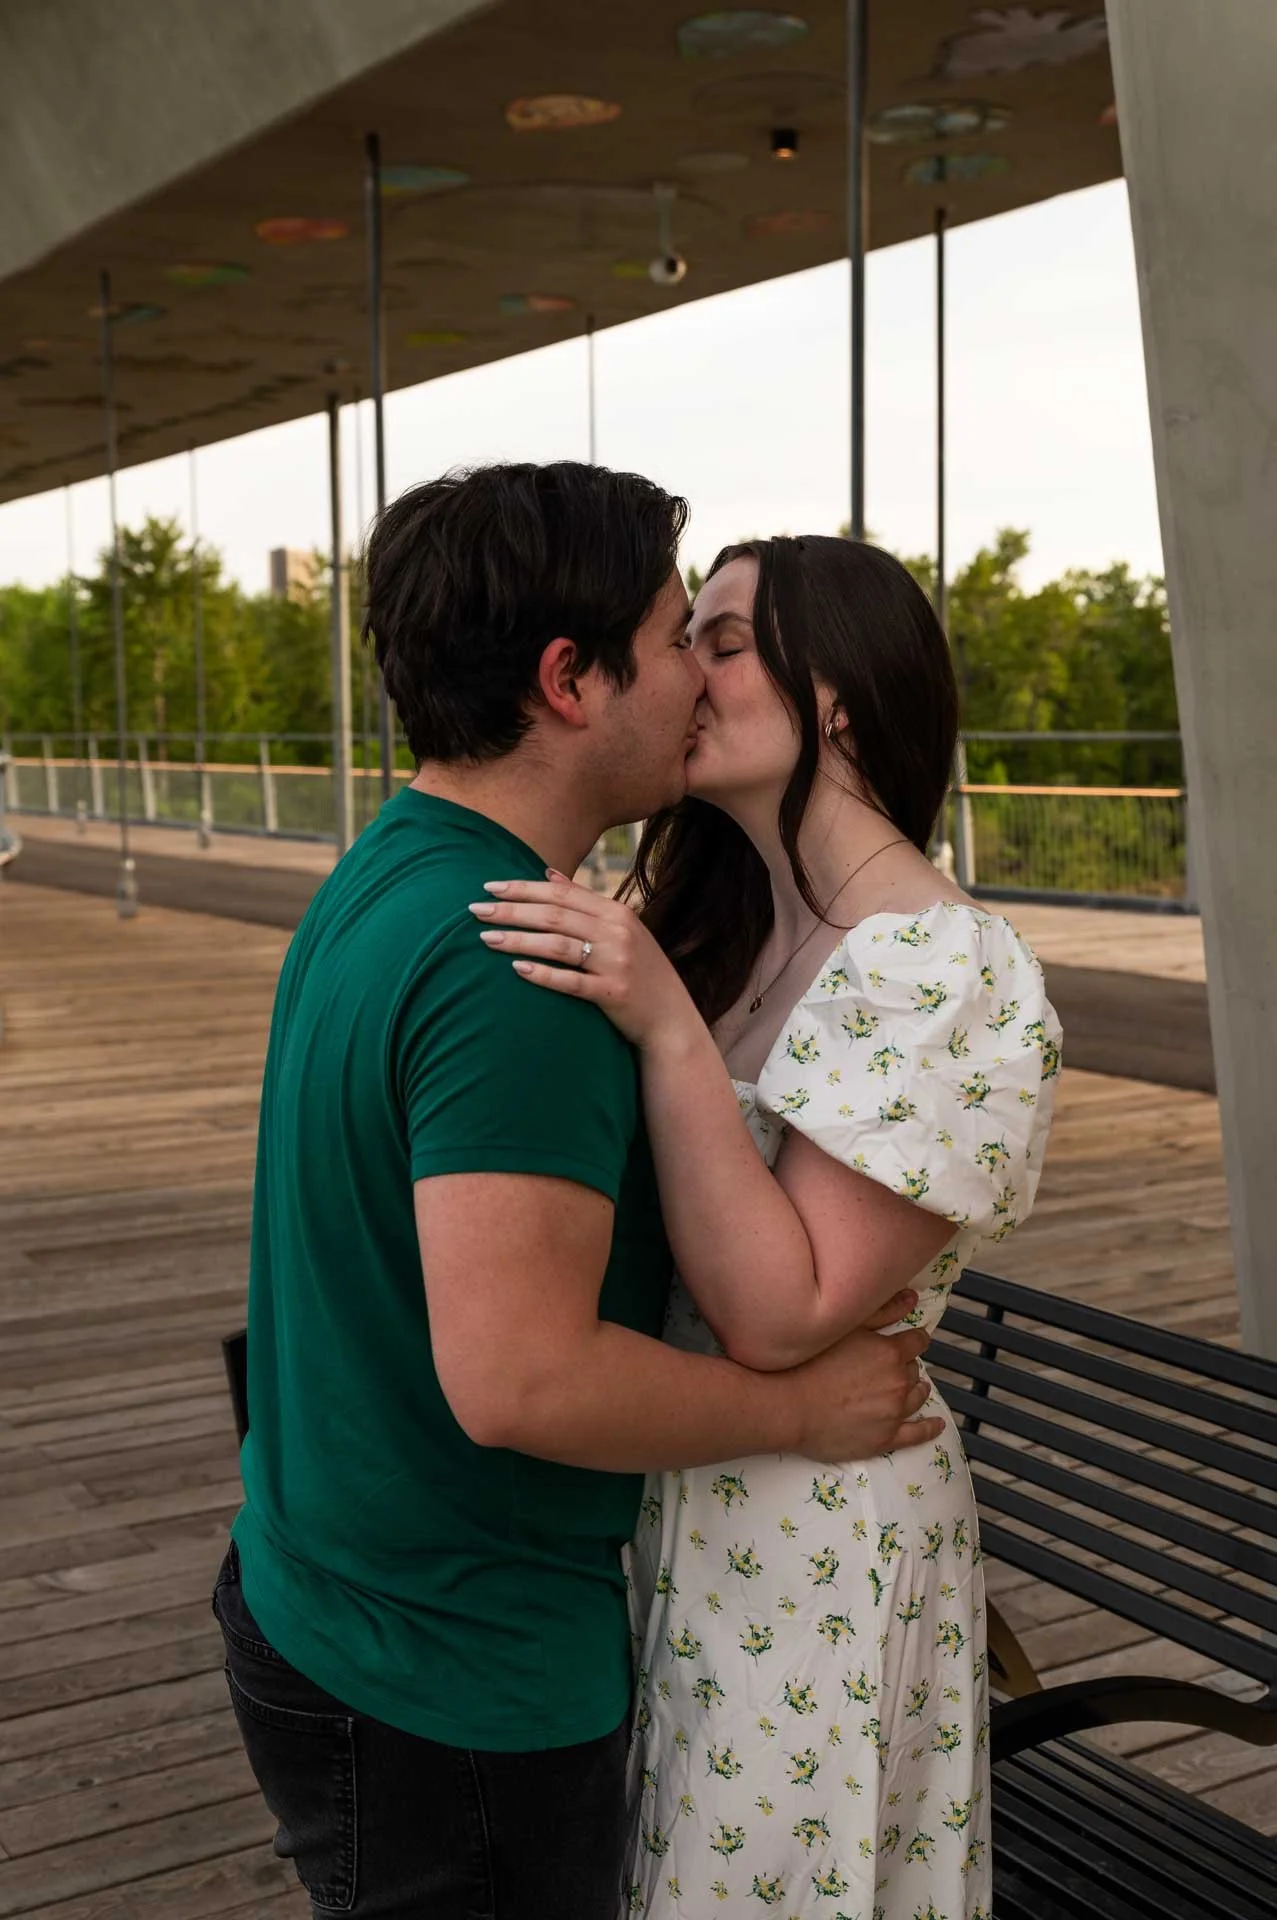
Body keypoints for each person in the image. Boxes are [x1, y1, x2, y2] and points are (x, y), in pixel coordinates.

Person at [212, 467, 945, 1920]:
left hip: (333, 1591)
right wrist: (799, 1413)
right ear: (567, 681)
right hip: (448, 1670)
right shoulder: (513, 972)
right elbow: (524, 1381)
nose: (695, 676)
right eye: (680, 637)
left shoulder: (392, 873)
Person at [474, 533, 1062, 1920]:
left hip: (820, 1540)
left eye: (722, 639)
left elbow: (782, 1308)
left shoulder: (940, 964)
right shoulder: (722, 926)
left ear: (840, 695)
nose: (684, 670)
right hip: (685, 1492)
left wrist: (664, 1026)